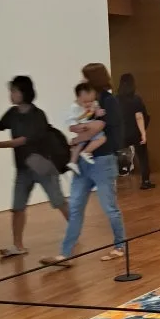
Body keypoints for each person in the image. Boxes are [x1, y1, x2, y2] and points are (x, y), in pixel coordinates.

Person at [41, 64, 127, 267]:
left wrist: (78, 136)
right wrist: (80, 132)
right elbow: (80, 124)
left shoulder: (108, 100)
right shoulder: (88, 101)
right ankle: (65, 253)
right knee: (76, 206)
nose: (83, 81)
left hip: (103, 160)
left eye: (86, 77)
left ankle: (120, 246)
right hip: (84, 161)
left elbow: (97, 126)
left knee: (109, 207)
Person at [0, 76, 68, 259]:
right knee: (17, 207)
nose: (11, 94)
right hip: (23, 168)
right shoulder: (12, 113)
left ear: (24, 92)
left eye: (14, 91)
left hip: (42, 166)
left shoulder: (38, 115)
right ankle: (18, 246)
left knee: (58, 201)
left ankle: (74, 230)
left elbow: (22, 141)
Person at [117, 73, 154, 190]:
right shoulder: (136, 99)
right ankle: (145, 181)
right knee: (143, 156)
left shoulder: (115, 100)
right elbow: (139, 117)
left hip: (121, 133)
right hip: (135, 133)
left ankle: (113, 183)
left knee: (115, 155)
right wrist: (143, 133)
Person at [64, 82, 107, 175]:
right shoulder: (74, 108)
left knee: (81, 143)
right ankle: (86, 152)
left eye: (91, 101)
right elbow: (70, 122)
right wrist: (76, 126)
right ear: (78, 98)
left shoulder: (93, 104)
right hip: (83, 127)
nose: (89, 104)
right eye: (85, 102)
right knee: (101, 138)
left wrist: (98, 112)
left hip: (88, 126)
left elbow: (95, 111)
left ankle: (73, 162)